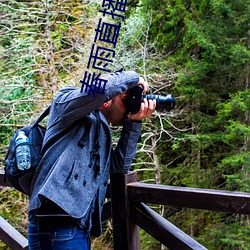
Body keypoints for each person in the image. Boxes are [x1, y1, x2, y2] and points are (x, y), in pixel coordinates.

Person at [28, 70, 156, 250]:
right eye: (125, 99)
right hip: (59, 224)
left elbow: (118, 167)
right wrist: (134, 78)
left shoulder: (101, 129)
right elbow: (99, 90)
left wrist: (134, 123)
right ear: (110, 96)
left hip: (73, 226)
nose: (129, 106)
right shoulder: (66, 101)